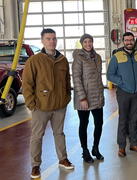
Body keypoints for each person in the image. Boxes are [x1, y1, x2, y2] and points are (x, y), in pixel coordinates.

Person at [22, 28, 74, 179]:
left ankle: (63, 159)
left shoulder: (62, 59)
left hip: (59, 106)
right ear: (42, 41)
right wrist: (32, 104)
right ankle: (35, 165)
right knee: (37, 136)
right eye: (48, 39)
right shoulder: (34, 60)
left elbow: (67, 81)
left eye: (54, 39)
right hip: (41, 107)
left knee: (59, 133)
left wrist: (66, 97)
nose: (52, 41)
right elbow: (27, 84)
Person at [107, 32, 137, 157]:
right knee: (123, 120)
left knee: (134, 119)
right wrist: (122, 83)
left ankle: (134, 144)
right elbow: (110, 75)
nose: (129, 42)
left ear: (134, 41)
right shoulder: (117, 56)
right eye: (126, 40)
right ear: (123, 41)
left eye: (131, 40)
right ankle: (121, 147)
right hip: (123, 92)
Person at [72, 34, 104, 163]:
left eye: (90, 41)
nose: (88, 44)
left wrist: (101, 94)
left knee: (99, 123)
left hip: (97, 96)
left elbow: (98, 78)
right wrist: (82, 98)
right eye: (85, 42)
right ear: (82, 43)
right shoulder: (78, 58)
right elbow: (76, 78)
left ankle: (95, 148)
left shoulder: (97, 57)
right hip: (84, 98)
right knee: (84, 124)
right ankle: (85, 151)